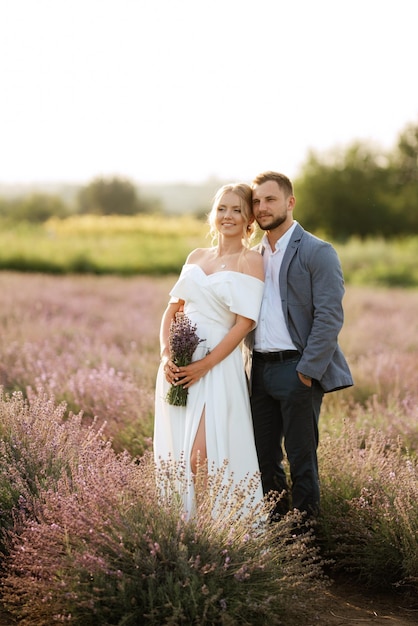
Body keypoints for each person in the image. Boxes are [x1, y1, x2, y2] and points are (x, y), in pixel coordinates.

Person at [244, 171, 353, 520]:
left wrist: (307, 371)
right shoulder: (252, 257)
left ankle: (306, 539)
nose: (262, 207)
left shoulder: (317, 252)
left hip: (297, 370)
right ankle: (276, 535)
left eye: (270, 199)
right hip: (258, 370)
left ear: (290, 202)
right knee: (264, 459)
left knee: (302, 459)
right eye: (257, 201)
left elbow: (329, 317)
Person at [154, 183, 265, 518]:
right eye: (222, 209)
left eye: (236, 210)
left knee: (200, 456)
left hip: (217, 366)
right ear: (213, 214)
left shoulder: (251, 261)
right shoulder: (195, 257)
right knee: (178, 454)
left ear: (249, 219)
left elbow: (243, 325)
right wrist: (166, 356)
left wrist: (205, 365)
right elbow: (172, 311)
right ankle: (182, 528)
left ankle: (207, 530)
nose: (227, 216)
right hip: (180, 364)